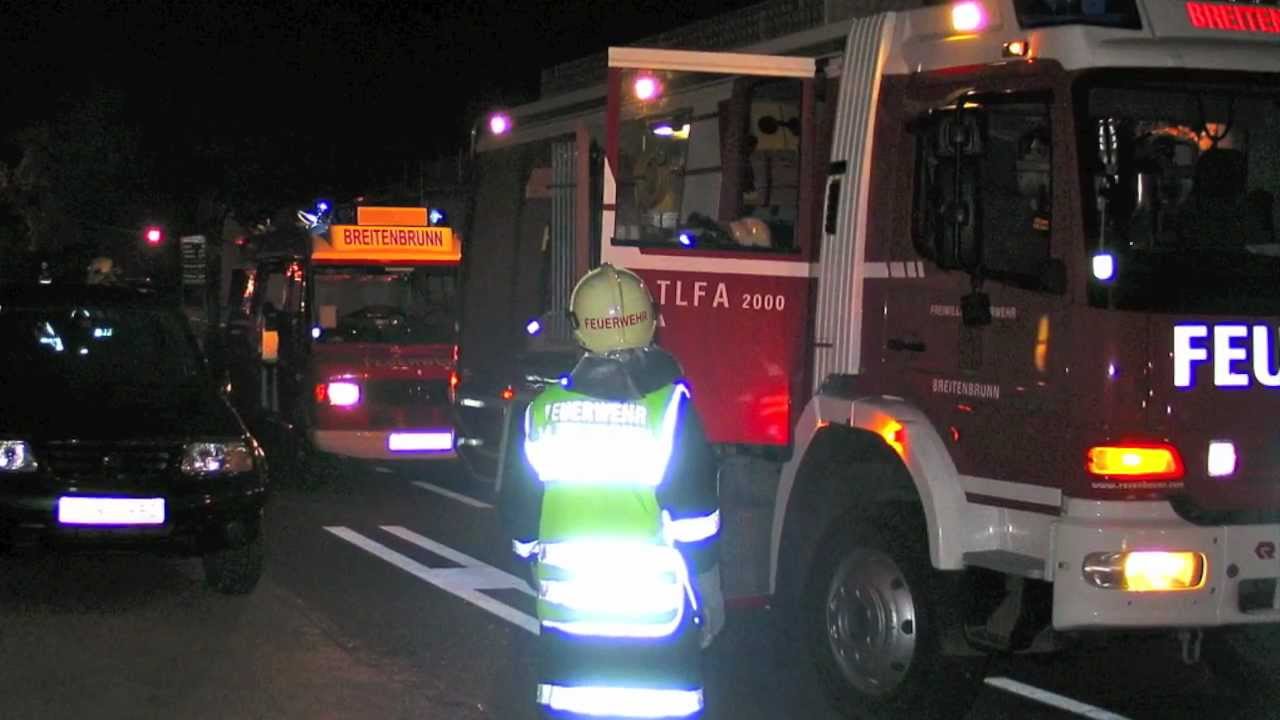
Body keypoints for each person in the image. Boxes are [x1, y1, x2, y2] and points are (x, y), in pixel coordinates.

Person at [502, 263, 723, 719]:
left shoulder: (542, 411)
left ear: (581, 331)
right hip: (658, 624)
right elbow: (696, 521)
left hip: (571, 626)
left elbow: (520, 518)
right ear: (650, 324)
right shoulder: (672, 408)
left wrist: (532, 563)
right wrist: (711, 595)